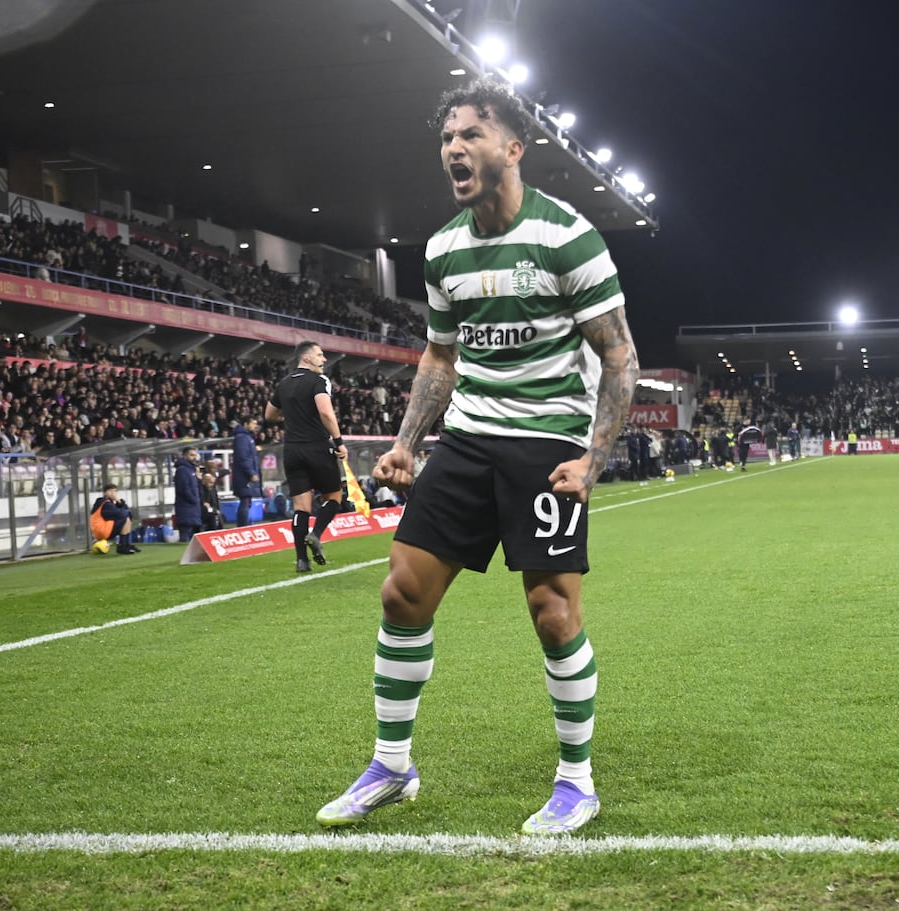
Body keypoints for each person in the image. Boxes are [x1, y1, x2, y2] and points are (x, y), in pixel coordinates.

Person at [316, 77, 639, 836]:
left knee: (553, 612)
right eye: (446, 138)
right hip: (466, 438)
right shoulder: (443, 250)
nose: (453, 150)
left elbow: (620, 356)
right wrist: (405, 443)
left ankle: (577, 782)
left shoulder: (567, 237)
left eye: (470, 134)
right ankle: (392, 766)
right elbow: (440, 357)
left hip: (547, 442)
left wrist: (593, 460)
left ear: (512, 148)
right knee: (402, 593)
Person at [265, 341, 348, 572]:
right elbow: (325, 412)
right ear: (307, 358)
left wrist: (293, 416)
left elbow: (269, 415)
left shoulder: (284, 383)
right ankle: (316, 534)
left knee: (301, 507)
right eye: (320, 355)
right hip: (316, 447)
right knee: (334, 496)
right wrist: (339, 442)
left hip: (292, 450)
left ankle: (302, 560)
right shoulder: (318, 380)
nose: (324, 359)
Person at [89, 484, 140, 554]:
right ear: (105, 493)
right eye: (110, 491)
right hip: (102, 530)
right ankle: (123, 546)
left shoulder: (107, 503)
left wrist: (119, 502)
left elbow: (121, 513)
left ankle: (126, 545)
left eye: (115, 491)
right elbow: (121, 514)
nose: (113, 493)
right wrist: (122, 505)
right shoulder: (105, 503)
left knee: (126, 518)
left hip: (102, 530)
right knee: (126, 519)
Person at [231, 417, 262, 526]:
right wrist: (251, 473)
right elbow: (243, 457)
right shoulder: (242, 438)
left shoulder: (248, 437)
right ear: (246, 424)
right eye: (253, 423)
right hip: (243, 476)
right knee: (245, 501)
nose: (255, 426)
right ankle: (243, 526)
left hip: (245, 475)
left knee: (247, 501)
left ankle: (245, 524)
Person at [173, 447, 203, 540]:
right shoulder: (182, 470)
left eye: (195, 455)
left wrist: (198, 479)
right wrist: (194, 499)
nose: (194, 457)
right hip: (186, 508)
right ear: (185, 456)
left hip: (193, 509)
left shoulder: (191, 470)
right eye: (191, 455)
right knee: (186, 536)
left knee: (193, 538)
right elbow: (184, 489)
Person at [200, 466, 223, 531]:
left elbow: (216, 500)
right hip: (206, 512)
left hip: (214, 510)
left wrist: (217, 509)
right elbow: (204, 502)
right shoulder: (202, 490)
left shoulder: (213, 490)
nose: (212, 484)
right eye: (210, 483)